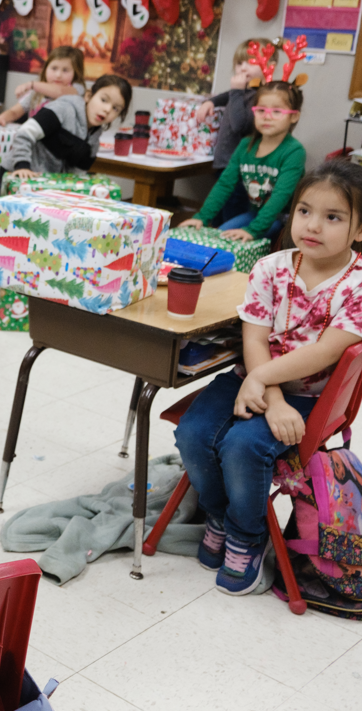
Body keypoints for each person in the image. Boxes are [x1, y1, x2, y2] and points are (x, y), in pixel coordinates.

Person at [174, 161, 362, 595]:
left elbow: (326, 351)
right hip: (257, 378)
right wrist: (269, 394)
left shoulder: (356, 284)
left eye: (333, 217)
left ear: (358, 230)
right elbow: (254, 340)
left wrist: (268, 388)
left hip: (314, 395)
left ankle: (247, 534)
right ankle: (220, 514)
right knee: (194, 433)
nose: (313, 225)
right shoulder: (270, 268)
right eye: (304, 211)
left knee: (243, 446)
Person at [178, 79, 306, 242]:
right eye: (261, 110)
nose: (267, 117)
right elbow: (225, 184)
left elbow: (280, 197)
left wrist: (253, 230)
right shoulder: (246, 145)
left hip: (287, 219)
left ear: (294, 116)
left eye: (276, 112)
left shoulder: (294, 151)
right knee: (221, 235)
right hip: (257, 214)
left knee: (237, 240)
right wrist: (202, 217)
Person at [4, 74, 131, 178]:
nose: (107, 109)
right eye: (103, 100)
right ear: (88, 96)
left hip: (45, 186)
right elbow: (24, 133)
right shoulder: (62, 109)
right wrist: (22, 166)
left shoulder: (94, 141)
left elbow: (77, 175)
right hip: (17, 174)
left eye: (116, 108)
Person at [193, 38, 277, 178]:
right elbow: (227, 96)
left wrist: (237, 91)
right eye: (239, 63)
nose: (243, 68)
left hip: (240, 167)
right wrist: (211, 102)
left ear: (270, 66)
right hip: (225, 163)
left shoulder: (263, 96)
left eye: (251, 62)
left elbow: (239, 125)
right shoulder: (242, 91)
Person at [0, 45, 86, 126]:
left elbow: (59, 91)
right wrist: (1, 118)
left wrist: (31, 84)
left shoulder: (77, 89)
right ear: (46, 69)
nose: (58, 75)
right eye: (54, 68)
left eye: (65, 70)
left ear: (75, 73)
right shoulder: (36, 92)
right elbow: (14, 112)